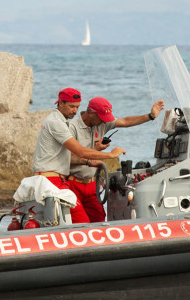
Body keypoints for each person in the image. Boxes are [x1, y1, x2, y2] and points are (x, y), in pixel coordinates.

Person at [32, 88, 126, 223]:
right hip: (52, 180)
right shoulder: (56, 123)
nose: (75, 111)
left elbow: (71, 157)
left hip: (57, 179)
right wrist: (110, 155)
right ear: (60, 103)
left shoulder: (61, 122)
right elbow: (80, 151)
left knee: (95, 218)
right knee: (81, 221)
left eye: (77, 107)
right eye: (71, 106)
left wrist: (89, 162)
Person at [67, 96, 166, 223]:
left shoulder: (101, 122)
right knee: (80, 221)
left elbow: (125, 121)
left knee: (99, 220)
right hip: (73, 182)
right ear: (91, 113)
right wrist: (105, 153)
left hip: (91, 183)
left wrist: (150, 116)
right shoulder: (72, 127)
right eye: (101, 118)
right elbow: (70, 157)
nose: (104, 122)